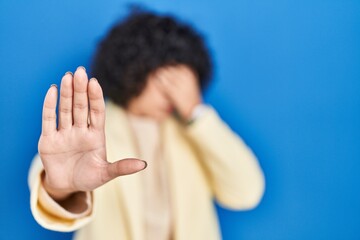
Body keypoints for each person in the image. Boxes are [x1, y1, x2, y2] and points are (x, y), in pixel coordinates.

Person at [28, 9, 265, 240]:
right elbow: (51, 175)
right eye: (168, 82)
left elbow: (246, 191)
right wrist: (61, 189)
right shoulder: (90, 131)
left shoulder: (193, 132)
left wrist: (197, 112)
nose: (176, 96)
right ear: (134, 70)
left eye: (186, 86)